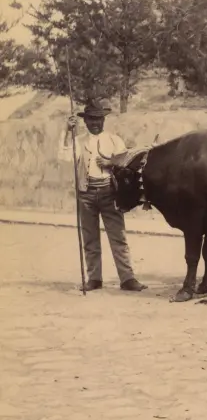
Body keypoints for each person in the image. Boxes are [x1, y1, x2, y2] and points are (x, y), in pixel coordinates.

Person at [57, 99, 147, 292]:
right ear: (85, 121)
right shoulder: (78, 141)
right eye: (91, 119)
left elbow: (126, 164)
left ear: (103, 120)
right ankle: (94, 278)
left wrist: (110, 164)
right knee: (90, 238)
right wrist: (66, 131)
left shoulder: (114, 140)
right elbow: (64, 157)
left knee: (118, 237)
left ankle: (127, 278)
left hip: (109, 193)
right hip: (86, 194)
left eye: (98, 119)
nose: (95, 123)